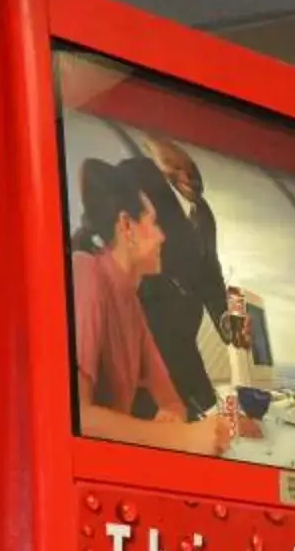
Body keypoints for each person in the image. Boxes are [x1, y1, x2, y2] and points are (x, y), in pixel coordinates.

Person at [70, 158, 236, 457]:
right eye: (153, 222)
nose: (162, 235)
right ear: (126, 227)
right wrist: (177, 438)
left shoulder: (129, 301)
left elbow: (172, 401)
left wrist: (173, 420)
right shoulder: (86, 275)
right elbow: (75, 415)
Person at [137, 138, 239, 418]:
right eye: (174, 166)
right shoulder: (144, 200)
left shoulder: (204, 214)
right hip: (150, 342)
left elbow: (210, 277)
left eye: (191, 168)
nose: (188, 175)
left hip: (184, 342)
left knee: (208, 411)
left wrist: (227, 324)